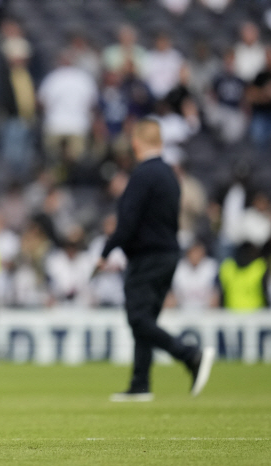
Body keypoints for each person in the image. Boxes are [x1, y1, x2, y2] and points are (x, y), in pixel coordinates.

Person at [96, 119, 214, 402]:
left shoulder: (142, 175)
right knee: (146, 318)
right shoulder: (170, 175)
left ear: (136, 142)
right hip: (168, 254)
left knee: (138, 318)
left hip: (147, 257)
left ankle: (190, 355)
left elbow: (127, 222)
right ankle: (140, 383)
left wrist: (105, 251)